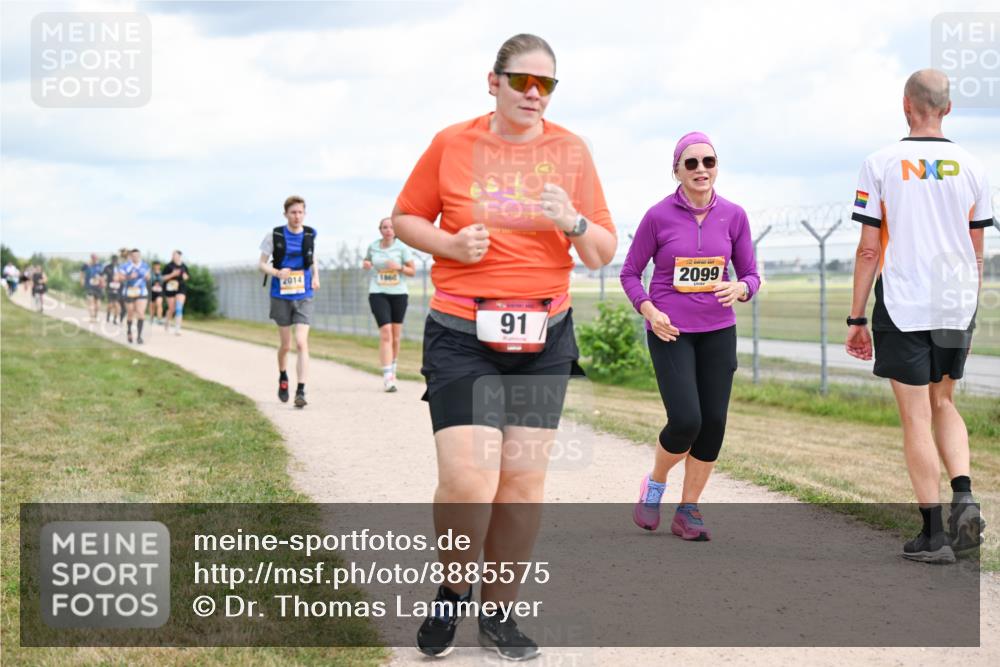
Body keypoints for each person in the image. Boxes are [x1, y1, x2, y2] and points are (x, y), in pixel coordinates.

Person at [393, 33, 616, 660]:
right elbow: (406, 216)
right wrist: (448, 244)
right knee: (468, 480)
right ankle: (453, 590)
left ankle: (498, 616)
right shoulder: (452, 143)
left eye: (547, 84)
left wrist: (572, 220)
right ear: (493, 83)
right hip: (463, 333)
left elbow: (601, 251)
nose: (534, 93)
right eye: (522, 80)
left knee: (520, 486)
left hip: (544, 337)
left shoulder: (571, 150)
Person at [846, 69, 992, 564]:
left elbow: (869, 250)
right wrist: (968, 304)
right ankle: (964, 495)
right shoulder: (973, 166)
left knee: (916, 416)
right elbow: (977, 250)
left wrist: (856, 319)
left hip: (904, 301)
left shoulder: (880, 164)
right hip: (956, 301)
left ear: (905, 105)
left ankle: (933, 536)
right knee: (944, 402)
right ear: (947, 108)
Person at [621, 132, 760, 541]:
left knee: (713, 423)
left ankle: (689, 509)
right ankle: (656, 483)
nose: (702, 169)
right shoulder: (657, 216)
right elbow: (630, 273)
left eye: (709, 162)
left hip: (718, 330)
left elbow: (751, 274)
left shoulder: (734, 216)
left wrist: (742, 288)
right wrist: (649, 310)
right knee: (686, 420)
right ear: (677, 171)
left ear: (716, 167)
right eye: (692, 163)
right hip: (671, 331)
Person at [258, 196, 319, 408]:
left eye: (300, 212)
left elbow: (312, 257)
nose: (297, 216)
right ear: (285, 214)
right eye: (293, 212)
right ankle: (283, 376)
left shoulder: (310, 234)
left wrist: (316, 276)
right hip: (281, 294)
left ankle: (301, 390)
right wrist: (277, 272)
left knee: (301, 342)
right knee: (286, 345)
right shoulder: (274, 235)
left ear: (305, 213)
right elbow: (261, 264)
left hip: (304, 293)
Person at [364, 217, 416, 392]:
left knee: (395, 336)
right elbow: (367, 261)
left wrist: (399, 267)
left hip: (399, 294)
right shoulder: (373, 246)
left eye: (391, 227)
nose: (388, 230)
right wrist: (366, 264)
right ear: (380, 230)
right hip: (378, 292)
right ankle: (388, 377)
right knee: (386, 332)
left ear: (395, 231)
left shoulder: (402, 248)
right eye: (385, 227)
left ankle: (393, 368)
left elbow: (412, 271)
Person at [117, 248, 151, 344]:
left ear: (140, 256)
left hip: (142, 292)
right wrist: (129, 277)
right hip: (129, 292)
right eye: (134, 256)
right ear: (131, 256)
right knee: (130, 313)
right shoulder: (125, 266)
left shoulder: (145, 265)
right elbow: (120, 278)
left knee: (140, 312)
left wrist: (147, 277)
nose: (136, 257)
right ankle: (129, 332)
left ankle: (139, 336)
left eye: (137, 256)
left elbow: (148, 277)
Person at [162, 250, 190, 335]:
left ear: (180, 256)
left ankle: (177, 328)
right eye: (173, 255)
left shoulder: (184, 266)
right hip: (170, 287)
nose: (174, 256)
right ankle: (167, 321)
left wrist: (185, 276)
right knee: (172, 309)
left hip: (181, 287)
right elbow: (162, 278)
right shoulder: (168, 266)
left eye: (176, 255)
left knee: (179, 308)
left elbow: (187, 277)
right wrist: (172, 274)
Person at [80, 253, 104, 322]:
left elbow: (102, 276)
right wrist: (82, 280)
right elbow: (81, 272)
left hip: (98, 287)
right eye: (93, 258)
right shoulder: (86, 265)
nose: (94, 259)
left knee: (97, 303)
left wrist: (102, 281)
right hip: (89, 286)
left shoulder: (100, 265)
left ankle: (95, 316)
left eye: (95, 258)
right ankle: (92, 317)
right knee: (91, 301)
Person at [102, 255, 121, 323]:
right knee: (110, 304)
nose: (115, 261)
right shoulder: (107, 267)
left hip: (118, 288)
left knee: (116, 304)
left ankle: (115, 319)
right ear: (112, 260)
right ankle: (108, 316)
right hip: (110, 287)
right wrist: (104, 282)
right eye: (113, 260)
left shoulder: (120, 267)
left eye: (116, 260)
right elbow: (104, 276)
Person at [149, 260, 165, 325]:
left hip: (159, 292)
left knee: (159, 304)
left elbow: (164, 281)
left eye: (158, 265)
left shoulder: (162, 273)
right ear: (153, 266)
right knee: (152, 306)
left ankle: (159, 319)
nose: (156, 266)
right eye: (155, 265)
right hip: (152, 291)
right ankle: (151, 318)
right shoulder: (150, 273)